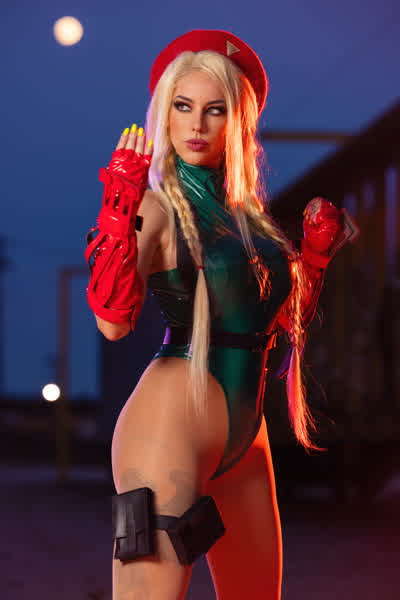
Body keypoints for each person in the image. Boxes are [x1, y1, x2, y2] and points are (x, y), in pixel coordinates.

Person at [85, 30, 356, 600]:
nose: (197, 124)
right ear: (164, 113)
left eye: (215, 110)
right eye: (183, 107)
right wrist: (117, 217)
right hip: (167, 426)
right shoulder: (156, 208)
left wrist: (312, 258)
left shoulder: (250, 219)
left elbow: (282, 321)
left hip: (246, 438)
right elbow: (112, 323)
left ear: (239, 121)